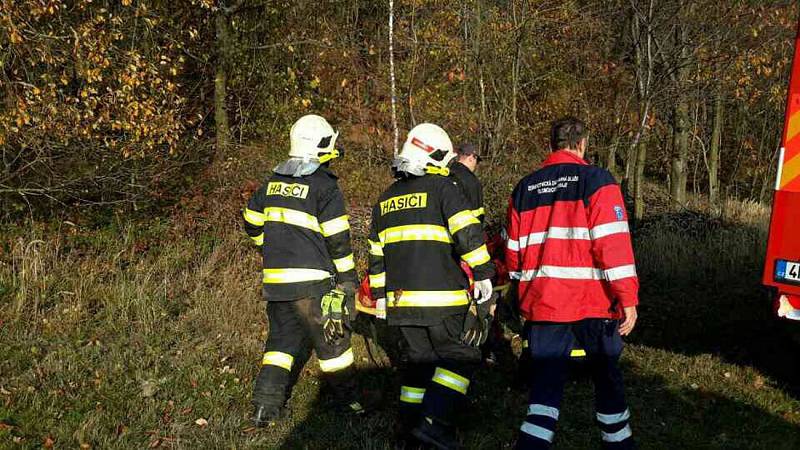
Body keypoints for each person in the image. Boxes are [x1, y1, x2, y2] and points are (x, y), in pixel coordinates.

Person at [506, 117, 639, 449]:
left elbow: (513, 254)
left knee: (544, 391)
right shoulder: (597, 180)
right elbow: (613, 244)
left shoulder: (525, 188)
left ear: (550, 145)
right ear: (583, 144)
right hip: (594, 303)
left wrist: (523, 296)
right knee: (607, 380)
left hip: (545, 304)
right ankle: (619, 444)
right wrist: (628, 298)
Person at [367, 123, 495, 449]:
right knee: (461, 358)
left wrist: (381, 298)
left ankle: (408, 432)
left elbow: (376, 257)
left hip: (400, 306)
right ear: (435, 156)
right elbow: (468, 233)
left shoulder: (384, 200)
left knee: (418, 367)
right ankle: (435, 424)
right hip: (441, 301)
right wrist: (483, 273)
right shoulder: (443, 189)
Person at [242, 114, 361, 426]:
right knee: (333, 345)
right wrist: (348, 279)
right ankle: (351, 404)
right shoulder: (324, 186)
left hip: (277, 284)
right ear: (318, 146)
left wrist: (267, 246)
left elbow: (251, 221)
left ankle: (264, 407)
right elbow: (338, 240)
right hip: (313, 286)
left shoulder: (271, 183)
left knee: (280, 345)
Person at [449, 143, 485, 225]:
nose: (476, 164)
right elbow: (477, 214)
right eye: (477, 160)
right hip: (466, 230)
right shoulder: (472, 181)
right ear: (471, 157)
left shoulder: (445, 174)